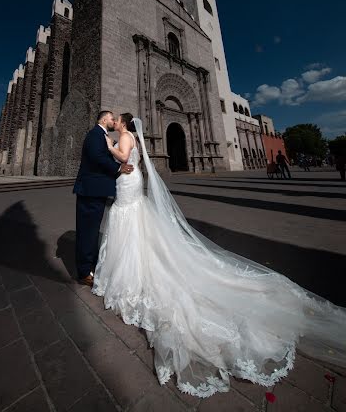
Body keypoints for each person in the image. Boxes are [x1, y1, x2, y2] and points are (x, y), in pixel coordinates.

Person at [90, 113, 346, 399]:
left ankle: (129, 269)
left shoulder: (122, 136)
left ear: (122, 122)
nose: (112, 123)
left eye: (114, 119)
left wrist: (108, 145)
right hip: (133, 182)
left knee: (129, 221)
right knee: (137, 222)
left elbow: (123, 157)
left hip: (129, 182)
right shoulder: (133, 136)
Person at [73, 111, 133, 287]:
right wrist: (118, 168)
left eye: (116, 119)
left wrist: (117, 144)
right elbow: (97, 157)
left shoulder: (102, 136)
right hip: (90, 191)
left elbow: (113, 152)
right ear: (104, 119)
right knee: (87, 232)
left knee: (91, 231)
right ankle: (84, 272)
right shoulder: (94, 134)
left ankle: (89, 265)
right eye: (112, 118)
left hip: (96, 191)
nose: (114, 121)